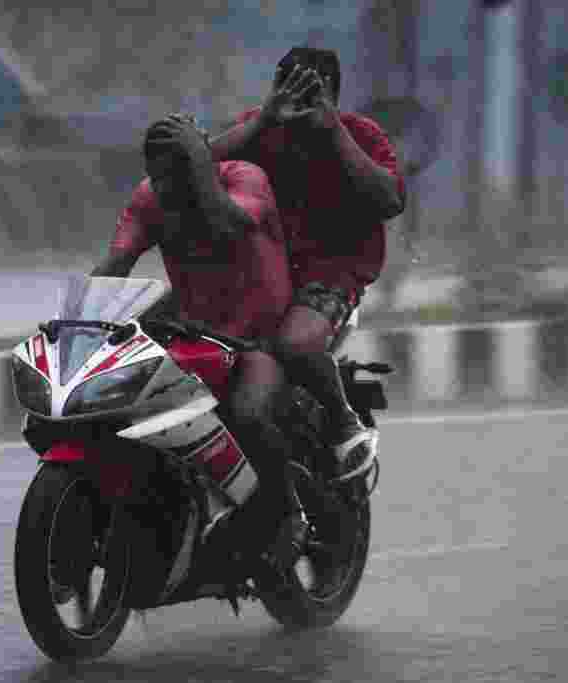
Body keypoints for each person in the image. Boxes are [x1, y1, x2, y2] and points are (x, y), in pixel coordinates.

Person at [91, 114, 308, 572]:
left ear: (204, 162)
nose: (167, 187)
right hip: (195, 328)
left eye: (179, 172)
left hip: (259, 335)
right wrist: (81, 323)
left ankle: (286, 513)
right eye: (159, 175)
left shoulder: (246, 180)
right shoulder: (151, 197)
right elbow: (118, 259)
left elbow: (233, 224)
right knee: (120, 389)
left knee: (246, 413)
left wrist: (201, 168)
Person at [208, 46, 407, 481]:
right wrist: (264, 120)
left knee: (295, 345)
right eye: (287, 85)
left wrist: (332, 129)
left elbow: (390, 199)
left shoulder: (361, 134)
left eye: (311, 90)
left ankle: (343, 423)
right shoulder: (258, 129)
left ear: (333, 94)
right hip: (257, 274)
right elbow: (195, 166)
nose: (296, 101)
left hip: (329, 277)